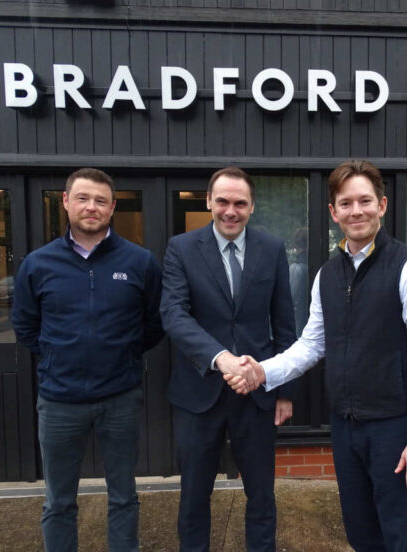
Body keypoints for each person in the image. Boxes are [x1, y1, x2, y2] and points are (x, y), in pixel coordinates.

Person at [226, 160, 407, 552]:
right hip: (346, 429)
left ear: (382, 205)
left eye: (365, 201)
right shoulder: (327, 275)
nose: (356, 211)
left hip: (396, 429)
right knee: (363, 537)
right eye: (346, 203)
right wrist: (262, 371)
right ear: (333, 212)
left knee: (405, 541)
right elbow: (312, 345)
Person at [11, 168, 164, 552]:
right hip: (59, 402)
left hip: (120, 399)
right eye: (82, 198)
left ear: (112, 208)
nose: (91, 207)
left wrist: (121, 356)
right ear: (66, 202)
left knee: (124, 495)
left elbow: (153, 325)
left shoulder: (140, 262)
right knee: (58, 501)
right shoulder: (38, 264)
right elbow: (26, 327)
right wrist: (60, 357)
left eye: (100, 200)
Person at [160, 167, 297, 552]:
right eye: (222, 201)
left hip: (257, 394)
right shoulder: (182, 248)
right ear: (208, 201)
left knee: (261, 495)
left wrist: (284, 390)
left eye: (240, 203)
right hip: (198, 393)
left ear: (252, 206)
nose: (230, 211)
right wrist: (220, 358)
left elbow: (284, 321)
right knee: (194, 496)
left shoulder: (272, 249)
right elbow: (174, 314)